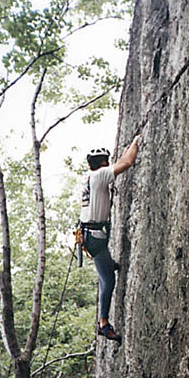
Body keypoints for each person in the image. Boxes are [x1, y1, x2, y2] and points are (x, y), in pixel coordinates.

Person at [80, 134, 141, 343]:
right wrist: (135, 143)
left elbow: (119, 162)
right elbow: (127, 163)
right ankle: (104, 324)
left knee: (104, 270)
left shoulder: (90, 178)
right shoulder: (100, 176)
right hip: (96, 238)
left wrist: (126, 149)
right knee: (109, 280)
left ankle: (108, 263)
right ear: (103, 163)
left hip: (90, 235)